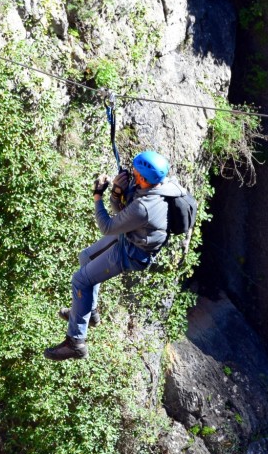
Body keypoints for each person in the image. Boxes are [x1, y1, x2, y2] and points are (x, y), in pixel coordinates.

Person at [44, 150, 176, 361]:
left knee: (80, 280)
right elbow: (122, 214)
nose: (132, 173)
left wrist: (98, 195)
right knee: (86, 258)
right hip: (131, 238)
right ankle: (88, 312)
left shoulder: (145, 206)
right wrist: (116, 193)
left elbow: (107, 226)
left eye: (135, 172)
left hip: (131, 252)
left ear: (142, 177)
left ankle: (75, 342)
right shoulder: (160, 186)